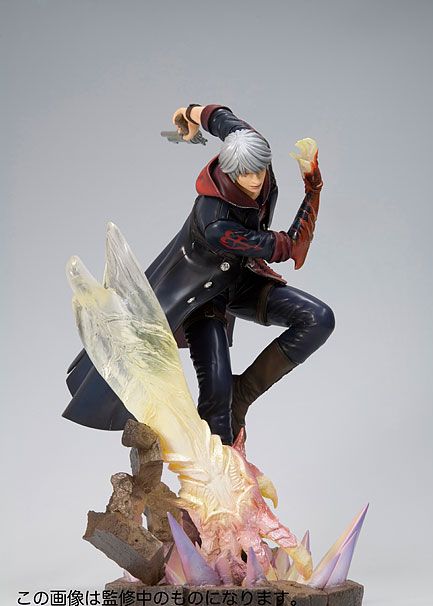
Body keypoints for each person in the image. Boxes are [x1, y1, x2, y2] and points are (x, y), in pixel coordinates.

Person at [63, 104, 335, 445]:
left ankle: (243, 391)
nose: (255, 181)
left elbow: (221, 118)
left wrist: (188, 113)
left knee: (318, 319)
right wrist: (313, 188)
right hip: (202, 296)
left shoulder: (250, 144)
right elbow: (291, 247)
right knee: (217, 404)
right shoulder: (216, 223)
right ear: (229, 171)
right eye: (244, 174)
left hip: (242, 279)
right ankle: (220, 468)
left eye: (259, 171)